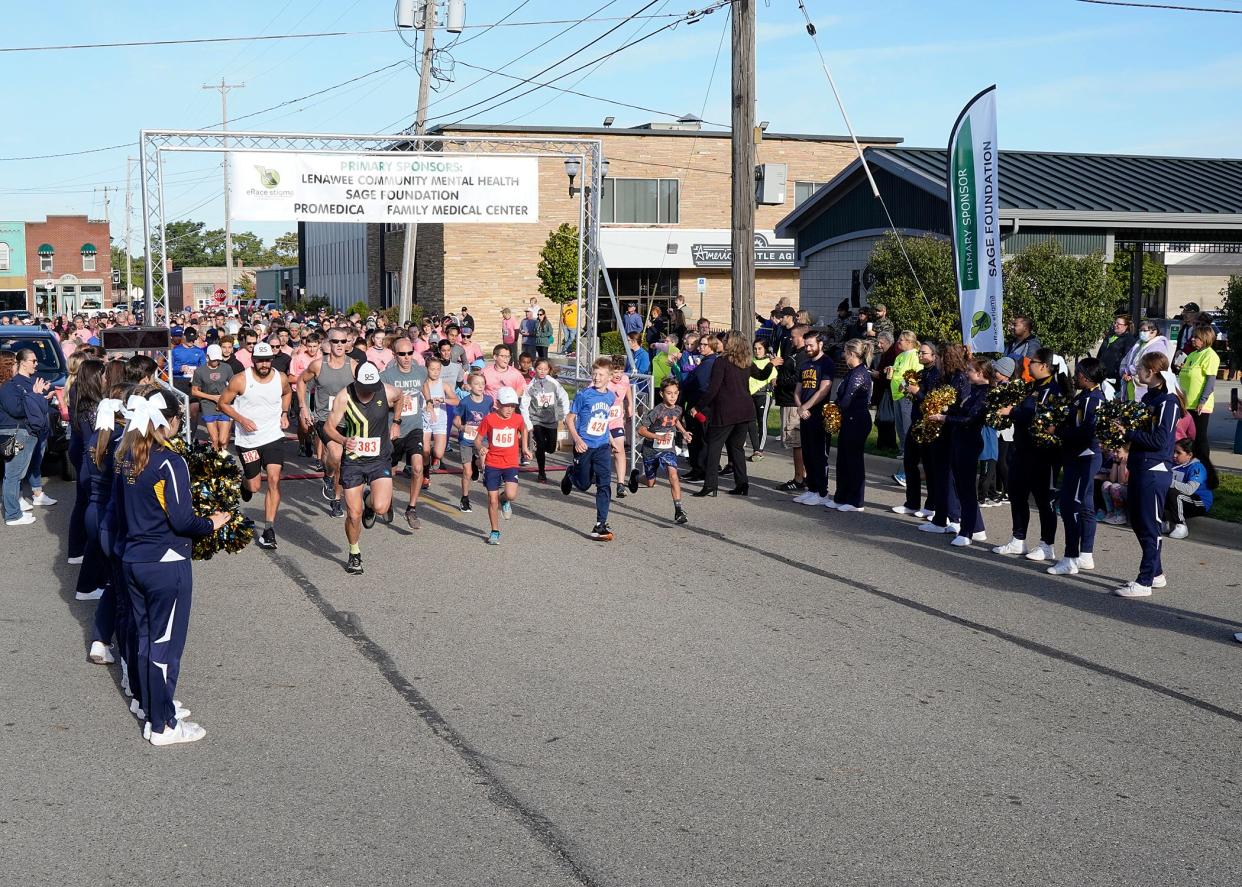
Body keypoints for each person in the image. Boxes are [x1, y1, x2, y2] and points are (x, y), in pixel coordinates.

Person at [113, 388, 229, 745]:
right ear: (173, 421)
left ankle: (151, 707)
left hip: (133, 559)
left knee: (147, 638)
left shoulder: (126, 453)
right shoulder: (168, 461)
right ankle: (163, 725)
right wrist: (213, 523)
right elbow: (182, 519)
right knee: (164, 646)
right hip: (165, 562)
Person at [323, 363, 404, 576]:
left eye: (372, 386)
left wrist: (396, 422)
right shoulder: (345, 396)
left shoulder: (385, 390)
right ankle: (354, 552)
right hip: (354, 461)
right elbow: (328, 427)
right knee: (353, 514)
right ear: (356, 381)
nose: (369, 390)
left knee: (380, 507)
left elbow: (400, 396)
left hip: (379, 458)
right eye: (365, 386)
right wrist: (342, 439)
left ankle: (370, 501)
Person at [1114, 353, 1182, 598]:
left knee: (1150, 526)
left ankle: (1144, 581)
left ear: (1152, 371)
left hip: (1154, 470)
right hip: (1141, 467)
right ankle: (1156, 574)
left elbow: (1160, 440)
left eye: (1141, 368)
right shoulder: (1150, 398)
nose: (1137, 372)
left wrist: (1129, 433)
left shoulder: (1168, 402)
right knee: (1140, 523)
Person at [992, 348, 1066, 560]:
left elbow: (1041, 415)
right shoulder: (1029, 387)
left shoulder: (1054, 390)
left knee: (1044, 500)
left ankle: (1047, 544)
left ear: (1044, 365)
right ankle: (1018, 539)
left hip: (1044, 453)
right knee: (1017, 494)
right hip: (1023, 448)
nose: (1028, 365)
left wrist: (1013, 411)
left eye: (1032, 362)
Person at [217, 342, 290, 551]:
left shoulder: (280, 378)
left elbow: (287, 393)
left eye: (268, 360)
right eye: (260, 360)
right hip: (248, 441)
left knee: (274, 479)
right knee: (255, 486)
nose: (264, 364)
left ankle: (269, 529)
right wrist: (241, 419)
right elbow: (222, 403)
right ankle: (245, 482)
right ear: (253, 360)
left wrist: (284, 413)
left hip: (273, 436)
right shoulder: (241, 380)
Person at [1047, 357, 1106, 575]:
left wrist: (1058, 431)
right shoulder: (1087, 396)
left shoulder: (1092, 400)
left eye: (1079, 373)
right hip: (1081, 456)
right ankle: (1085, 554)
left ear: (1087, 376)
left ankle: (1071, 557)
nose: (1076, 376)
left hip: (1084, 457)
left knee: (1071, 506)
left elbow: (1086, 432)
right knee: (1086, 506)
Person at [927, 356, 992, 546]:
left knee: (967, 489)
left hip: (969, 443)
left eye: (970, 370)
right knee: (961, 487)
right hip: (960, 441)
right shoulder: (974, 391)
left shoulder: (985, 393)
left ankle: (967, 531)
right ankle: (975, 528)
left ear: (980, 374)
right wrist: (947, 410)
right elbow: (961, 412)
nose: (967, 373)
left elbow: (970, 419)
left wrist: (943, 418)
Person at [298, 327, 356, 519]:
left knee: (340, 463)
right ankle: (329, 478)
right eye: (335, 342)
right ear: (328, 343)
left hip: (348, 421)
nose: (339, 345)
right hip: (325, 420)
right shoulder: (318, 365)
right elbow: (301, 382)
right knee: (337, 455)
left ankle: (336, 498)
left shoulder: (354, 366)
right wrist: (303, 407)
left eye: (343, 341)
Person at [561, 357, 618, 541]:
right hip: (583, 446)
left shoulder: (611, 397)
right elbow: (569, 419)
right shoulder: (583, 395)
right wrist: (577, 440)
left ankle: (601, 523)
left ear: (609, 377)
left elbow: (604, 421)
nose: (596, 377)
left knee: (604, 484)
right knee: (584, 485)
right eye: (594, 373)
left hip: (601, 446)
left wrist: (611, 440)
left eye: (601, 374)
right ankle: (571, 473)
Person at [693, 332, 753, 497]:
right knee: (737, 448)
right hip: (745, 410)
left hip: (726, 410)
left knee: (714, 447)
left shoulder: (722, 362)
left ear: (730, 343)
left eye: (724, 340)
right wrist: (771, 365)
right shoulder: (746, 362)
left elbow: (713, 388)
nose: (721, 343)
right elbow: (761, 375)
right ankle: (742, 484)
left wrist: (698, 406)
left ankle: (711, 484)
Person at [1, 350, 54, 526]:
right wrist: (34, 395)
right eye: (15, 364)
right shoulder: (8, 387)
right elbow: (17, 410)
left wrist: (37, 396)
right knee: (13, 475)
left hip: (21, 432)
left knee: (16, 474)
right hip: (15, 433)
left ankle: (14, 511)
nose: (17, 367)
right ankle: (13, 515)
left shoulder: (11, 386)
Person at [380, 337, 428, 529]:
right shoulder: (386, 376)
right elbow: (380, 402)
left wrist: (430, 402)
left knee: (417, 467)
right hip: (393, 429)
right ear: (394, 355)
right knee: (390, 472)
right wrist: (397, 402)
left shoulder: (421, 371)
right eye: (402, 354)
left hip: (414, 427)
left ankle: (412, 508)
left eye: (410, 353)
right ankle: (387, 501)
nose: (407, 357)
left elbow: (424, 384)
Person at [475, 386, 531, 545]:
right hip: (493, 463)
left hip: (511, 462)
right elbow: (477, 440)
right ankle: (495, 531)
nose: (510, 409)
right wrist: (481, 448)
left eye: (513, 405)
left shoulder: (517, 419)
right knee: (492, 500)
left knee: (511, 494)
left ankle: (504, 500)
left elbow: (524, 429)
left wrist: (525, 447)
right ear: (497, 404)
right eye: (506, 405)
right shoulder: (489, 419)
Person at [892, 343, 941, 519]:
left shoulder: (937, 375)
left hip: (928, 424)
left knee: (929, 465)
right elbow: (915, 396)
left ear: (934, 356)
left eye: (924, 353)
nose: (920, 355)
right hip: (915, 421)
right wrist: (907, 390)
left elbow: (933, 401)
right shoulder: (920, 373)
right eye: (919, 352)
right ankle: (912, 503)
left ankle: (932, 505)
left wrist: (917, 392)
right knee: (909, 462)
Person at [826, 339, 874, 512]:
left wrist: (833, 408)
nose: (843, 355)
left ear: (852, 353)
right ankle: (841, 496)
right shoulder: (852, 372)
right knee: (843, 460)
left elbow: (846, 400)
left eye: (845, 352)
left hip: (857, 420)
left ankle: (856, 501)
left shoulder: (859, 373)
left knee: (853, 461)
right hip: (850, 419)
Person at [637, 378, 692, 524]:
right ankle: (637, 478)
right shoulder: (656, 411)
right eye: (669, 393)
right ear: (662, 394)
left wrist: (684, 433)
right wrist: (656, 436)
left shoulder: (678, 409)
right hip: (651, 449)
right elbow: (641, 430)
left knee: (673, 475)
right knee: (650, 482)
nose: (673, 396)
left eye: (675, 393)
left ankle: (678, 510)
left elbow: (675, 420)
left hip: (668, 448)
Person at [793, 331, 835, 507]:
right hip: (805, 415)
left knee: (819, 454)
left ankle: (822, 492)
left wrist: (806, 406)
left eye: (811, 345)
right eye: (806, 345)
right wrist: (800, 407)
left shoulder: (827, 363)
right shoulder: (804, 364)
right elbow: (797, 391)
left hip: (819, 415)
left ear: (820, 344)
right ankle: (812, 489)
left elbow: (823, 390)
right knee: (808, 453)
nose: (808, 348)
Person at [1177, 321, 1220, 490]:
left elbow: (1210, 381)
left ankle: (1209, 477)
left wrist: (1202, 401)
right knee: (1188, 440)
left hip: (1200, 405)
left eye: (1196, 337)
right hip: (1187, 404)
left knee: (1200, 441)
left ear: (1205, 338)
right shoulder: (1193, 354)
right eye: (1193, 337)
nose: (1193, 340)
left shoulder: (1210, 355)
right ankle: (1190, 470)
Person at [520, 358, 570, 483]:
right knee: (541, 445)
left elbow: (564, 397)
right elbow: (524, 405)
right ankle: (541, 473)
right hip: (536, 420)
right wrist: (528, 423)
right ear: (535, 369)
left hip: (551, 419)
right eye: (539, 369)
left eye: (545, 369)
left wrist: (564, 415)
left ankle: (541, 448)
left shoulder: (553, 383)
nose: (542, 372)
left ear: (549, 370)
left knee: (551, 448)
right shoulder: (531, 386)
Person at [454, 371, 494, 512]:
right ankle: (465, 498)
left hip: (482, 438)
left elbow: (491, 415)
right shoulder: (465, 402)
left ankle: (477, 464)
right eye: (476, 384)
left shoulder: (489, 400)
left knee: (484, 463)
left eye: (482, 384)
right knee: (467, 472)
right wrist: (462, 427)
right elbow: (456, 419)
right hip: (466, 439)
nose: (480, 386)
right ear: (469, 386)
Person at [421, 355, 460, 490]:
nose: (435, 372)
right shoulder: (422, 384)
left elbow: (456, 401)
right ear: (427, 369)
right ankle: (425, 476)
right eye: (432, 369)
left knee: (438, 453)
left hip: (440, 421)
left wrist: (444, 400)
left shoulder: (444, 385)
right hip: (425, 420)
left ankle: (434, 455)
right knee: (424, 451)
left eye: (438, 369)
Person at [888, 331, 921, 484]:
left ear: (909, 341)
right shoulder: (900, 356)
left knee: (909, 434)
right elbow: (898, 373)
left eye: (901, 340)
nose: (898, 342)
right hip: (896, 396)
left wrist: (905, 385)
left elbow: (916, 375)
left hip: (907, 398)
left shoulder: (915, 355)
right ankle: (905, 469)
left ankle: (908, 474)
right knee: (901, 433)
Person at [1165, 438, 1212, 539]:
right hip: (1179, 498)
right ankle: (1163, 522)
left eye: (1178, 453)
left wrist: (1168, 482)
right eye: (1173, 451)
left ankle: (1181, 526)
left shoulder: (1197, 467)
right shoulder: (1173, 464)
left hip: (1199, 501)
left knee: (1174, 493)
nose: (1174, 455)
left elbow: (1189, 489)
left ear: (1189, 455)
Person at [191, 344, 235, 452]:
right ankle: (216, 462)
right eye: (214, 359)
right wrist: (212, 397)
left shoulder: (226, 368)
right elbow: (194, 391)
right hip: (208, 404)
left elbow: (233, 385)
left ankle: (222, 456)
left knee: (223, 440)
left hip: (224, 403)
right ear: (207, 357)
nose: (216, 362)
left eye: (218, 359)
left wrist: (227, 397)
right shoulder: (199, 371)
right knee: (214, 439)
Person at [1119, 320, 1173, 401]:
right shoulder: (1138, 343)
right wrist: (1124, 372)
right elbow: (1126, 359)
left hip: (1146, 386)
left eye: (1144, 330)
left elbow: (1147, 364)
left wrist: (1128, 371)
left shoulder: (1158, 346)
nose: (1142, 333)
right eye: (1140, 330)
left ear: (1154, 331)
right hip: (1131, 386)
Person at [606, 356, 636, 498]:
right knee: (600, 451)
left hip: (616, 421)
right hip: (601, 423)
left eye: (621, 371)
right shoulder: (603, 382)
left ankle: (620, 484)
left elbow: (627, 388)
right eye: (614, 372)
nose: (618, 375)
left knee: (619, 450)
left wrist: (630, 404)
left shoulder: (624, 379)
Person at [746, 339, 776, 460]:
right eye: (755, 348)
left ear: (765, 349)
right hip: (749, 395)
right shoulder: (750, 362)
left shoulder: (769, 362)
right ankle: (755, 448)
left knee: (761, 420)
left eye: (760, 348)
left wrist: (774, 382)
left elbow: (773, 379)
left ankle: (759, 450)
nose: (757, 351)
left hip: (763, 395)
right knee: (750, 421)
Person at [1097, 315, 1136, 386]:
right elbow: (1100, 353)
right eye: (1115, 323)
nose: (1115, 325)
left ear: (1126, 326)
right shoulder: (1109, 336)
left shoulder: (1129, 339)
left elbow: (1127, 357)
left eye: (1118, 324)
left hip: (1115, 377)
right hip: (1102, 373)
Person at [1004, 315, 1041, 382]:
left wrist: (1012, 357)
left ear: (1025, 328)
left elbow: (1029, 364)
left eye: (1015, 325)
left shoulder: (1033, 344)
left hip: (1023, 384)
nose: (1012, 327)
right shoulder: (1010, 344)